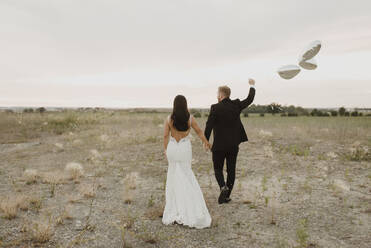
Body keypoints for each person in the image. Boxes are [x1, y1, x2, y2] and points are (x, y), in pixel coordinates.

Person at [162, 95, 212, 229]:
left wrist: (165, 150)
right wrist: (206, 142)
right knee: (186, 175)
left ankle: (175, 207)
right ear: (185, 105)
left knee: (173, 177)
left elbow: (166, 136)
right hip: (184, 148)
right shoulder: (190, 118)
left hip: (173, 148)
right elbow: (199, 132)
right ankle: (190, 205)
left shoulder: (169, 119)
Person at [204, 79, 256, 204]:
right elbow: (249, 100)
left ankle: (223, 187)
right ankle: (226, 196)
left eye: (218, 94)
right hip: (233, 145)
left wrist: (205, 140)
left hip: (219, 146)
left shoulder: (215, 108)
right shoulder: (236, 105)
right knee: (231, 170)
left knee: (218, 169)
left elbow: (208, 125)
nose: (217, 96)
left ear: (221, 95)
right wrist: (252, 86)